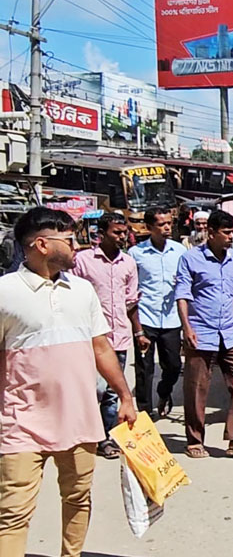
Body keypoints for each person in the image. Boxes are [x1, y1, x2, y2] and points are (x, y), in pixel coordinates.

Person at [0, 207, 137, 557]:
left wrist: (124, 395)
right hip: (20, 423)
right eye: (70, 239)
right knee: (13, 513)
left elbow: (101, 347)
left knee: (78, 497)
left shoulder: (82, 290)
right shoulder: (5, 292)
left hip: (79, 419)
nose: (77, 246)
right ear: (42, 244)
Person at [175, 210, 233, 460]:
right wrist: (186, 328)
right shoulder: (190, 259)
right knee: (197, 387)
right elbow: (182, 295)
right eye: (226, 232)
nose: (231, 237)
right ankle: (194, 440)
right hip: (200, 332)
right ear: (210, 233)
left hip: (230, 332)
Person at [71, 212, 140, 460]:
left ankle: (107, 439)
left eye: (124, 233)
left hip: (119, 337)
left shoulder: (129, 264)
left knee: (112, 391)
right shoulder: (83, 261)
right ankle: (89, 433)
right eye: (116, 233)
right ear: (101, 234)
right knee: (92, 390)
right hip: (89, 338)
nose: (122, 237)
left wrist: (138, 331)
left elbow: (132, 302)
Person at [129, 207, 187, 419]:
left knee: (173, 365)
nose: (167, 228)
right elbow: (131, 285)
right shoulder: (136, 254)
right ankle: (145, 412)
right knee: (144, 368)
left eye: (169, 223)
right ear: (149, 227)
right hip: (146, 317)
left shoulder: (179, 251)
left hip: (172, 318)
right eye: (162, 224)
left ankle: (165, 391)